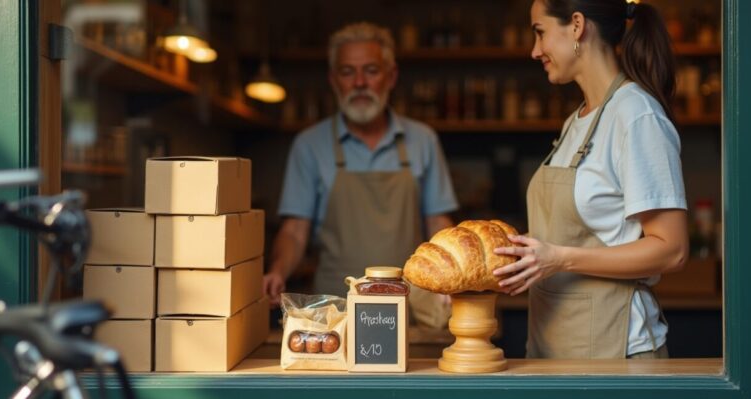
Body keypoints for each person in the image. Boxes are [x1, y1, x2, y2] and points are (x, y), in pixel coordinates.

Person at [493, 0, 689, 359]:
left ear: (578, 25)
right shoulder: (575, 122)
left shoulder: (636, 116)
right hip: (552, 344)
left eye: (540, 33)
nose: (535, 51)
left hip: (615, 349)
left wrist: (560, 258)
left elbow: (671, 249)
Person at [263, 22, 458, 328]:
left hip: (409, 309)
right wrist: (277, 271)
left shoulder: (423, 141)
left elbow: (438, 222)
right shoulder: (309, 145)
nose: (359, 83)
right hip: (333, 311)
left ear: (391, 76)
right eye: (346, 72)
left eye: (370, 70)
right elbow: (295, 230)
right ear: (333, 80)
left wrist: (450, 275)